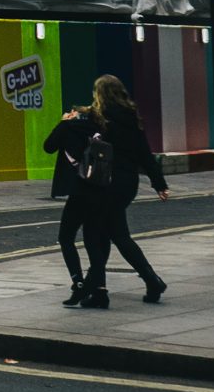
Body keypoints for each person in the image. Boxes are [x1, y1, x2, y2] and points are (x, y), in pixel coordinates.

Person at [72, 74, 171, 308]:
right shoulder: (131, 117)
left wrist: (70, 120)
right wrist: (159, 184)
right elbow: (145, 154)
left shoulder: (99, 118)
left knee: (102, 234)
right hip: (127, 183)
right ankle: (136, 283)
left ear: (101, 94)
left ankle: (101, 290)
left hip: (105, 182)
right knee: (112, 232)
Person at [43, 103, 96, 306]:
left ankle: (79, 283)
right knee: (94, 239)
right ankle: (98, 287)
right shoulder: (96, 126)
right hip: (98, 189)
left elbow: (48, 147)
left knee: (66, 238)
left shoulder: (68, 127)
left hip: (77, 191)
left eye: (72, 112)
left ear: (75, 115)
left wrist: (63, 123)